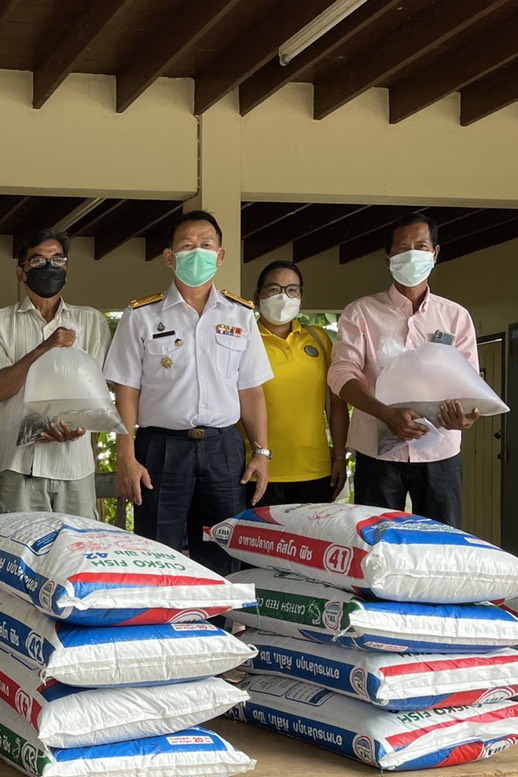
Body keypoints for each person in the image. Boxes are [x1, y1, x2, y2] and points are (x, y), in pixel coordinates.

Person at [104, 209, 273, 575]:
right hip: (162, 449)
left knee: (224, 553)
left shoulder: (241, 315)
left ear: (220, 255)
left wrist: (261, 452)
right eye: (187, 245)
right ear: (169, 257)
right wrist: (126, 456)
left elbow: (251, 390)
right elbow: (126, 391)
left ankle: (219, 614)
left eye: (206, 245)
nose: (198, 252)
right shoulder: (142, 315)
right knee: (158, 555)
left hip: (223, 449)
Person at [326, 213, 480, 526]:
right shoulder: (361, 313)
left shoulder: (456, 316)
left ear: (435, 253)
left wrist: (464, 416)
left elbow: (469, 382)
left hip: (440, 452)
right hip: (377, 454)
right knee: (377, 540)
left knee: (441, 541)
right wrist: (384, 413)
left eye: (421, 247)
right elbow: (341, 374)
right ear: (388, 260)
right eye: (401, 249)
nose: (412, 255)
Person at [0, 229, 111, 516]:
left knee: (76, 543)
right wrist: (44, 347)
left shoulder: (91, 321)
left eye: (57, 260)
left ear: (67, 268)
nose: (49, 267)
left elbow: (96, 392)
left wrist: (77, 426)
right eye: (38, 261)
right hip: (17, 464)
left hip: (74, 463)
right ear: (21, 272)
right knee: (19, 543)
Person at [253, 260, 350, 505]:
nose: (283, 297)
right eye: (274, 289)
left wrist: (340, 457)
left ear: (301, 296)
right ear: (257, 296)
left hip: (315, 470)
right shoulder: (244, 340)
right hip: (257, 468)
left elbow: (336, 405)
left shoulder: (318, 339)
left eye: (292, 290)